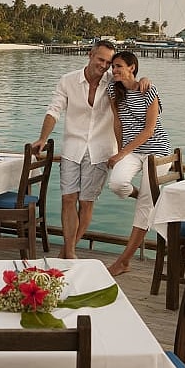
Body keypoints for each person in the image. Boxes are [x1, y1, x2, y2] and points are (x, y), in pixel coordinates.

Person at [31, 41, 150, 259]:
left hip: (101, 150)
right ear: (90, 55)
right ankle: (69, 253)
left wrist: (144, 79)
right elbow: (54, 110)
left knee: (86, 202)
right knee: (68, 199)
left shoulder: (114, 82)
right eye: (101, 60)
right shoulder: (68, 80)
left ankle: (69, 252)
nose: (105, 66)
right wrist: (43, 138)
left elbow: (133, 83)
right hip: (72, 149)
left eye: (109, 62)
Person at [105, 51, 171, 276]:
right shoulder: (113, 90)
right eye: (113, 67)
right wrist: (119, 151)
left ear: (132, 67)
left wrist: (122, 152)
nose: (114, 70)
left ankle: (124, 261)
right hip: (132, 152)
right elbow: (117, 122)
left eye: (119, 66)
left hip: (157, 151)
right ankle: (150, 195)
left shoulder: (148, 90)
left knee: (144, 206)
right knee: (116, 183)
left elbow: (150, 129)